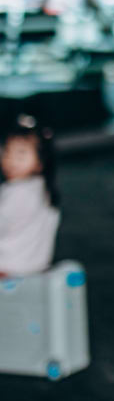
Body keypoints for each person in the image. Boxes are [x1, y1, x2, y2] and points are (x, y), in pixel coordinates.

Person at [0, 115, 60, 278]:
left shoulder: (18, 191)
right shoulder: (44, 189)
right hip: (38, 265)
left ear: (40, 160)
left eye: (20, 155)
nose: (11, 160)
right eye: (7, 153)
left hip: (10, 268)